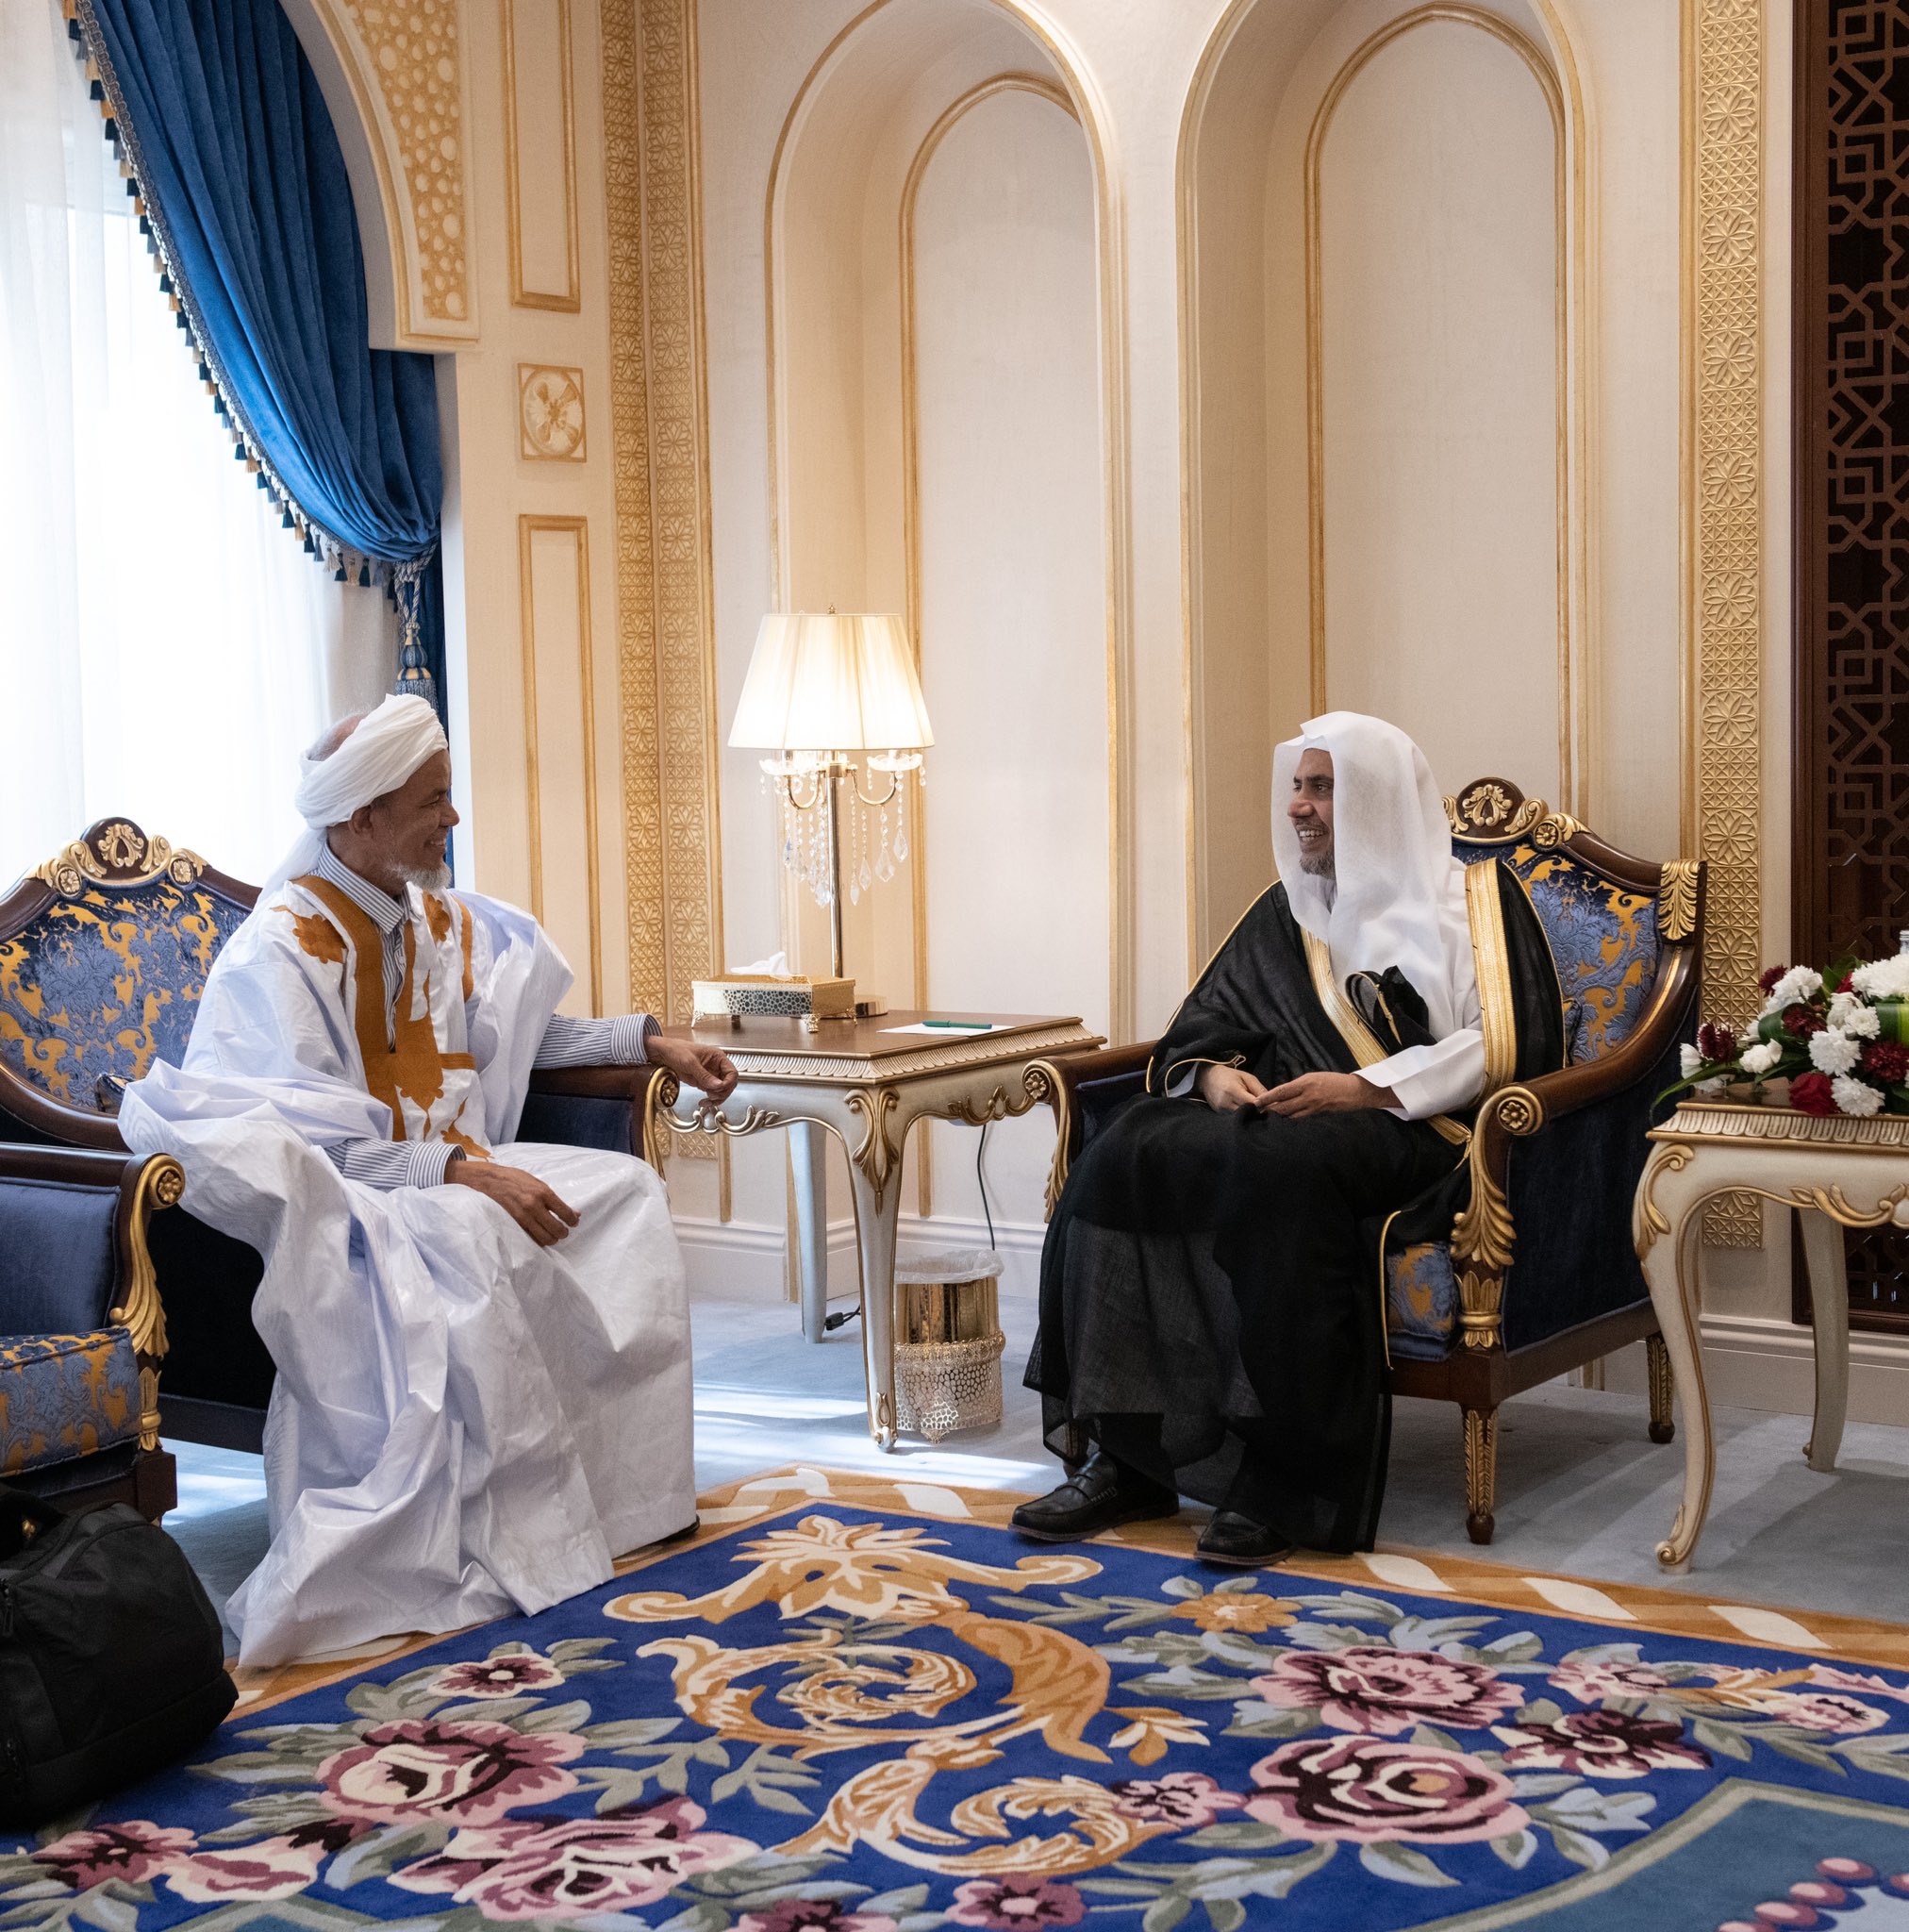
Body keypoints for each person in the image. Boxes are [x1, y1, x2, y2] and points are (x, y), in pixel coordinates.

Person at [120, 694, 737, 1666]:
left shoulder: (437, 915)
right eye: (432, 799)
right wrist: (451, 1170)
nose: (453, 818)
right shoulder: (279, 948)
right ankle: (505, 1530)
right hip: (362, 1194)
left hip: (455, 1164)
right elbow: (289, 1141)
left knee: (621, 1194)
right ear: (360, 817)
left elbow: (514, 1040)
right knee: (479, 1232)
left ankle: (622, 1505)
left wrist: (651, 1040)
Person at [1017, 712, 1564, 1565]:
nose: (1300, 808)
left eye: (1322, 788)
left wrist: (1366, 1087)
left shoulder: (1479, 904)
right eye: (1298, 789)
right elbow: (1204, 1025)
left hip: (1421, 1130)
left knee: (1282, 1173)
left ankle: (1287, 1481)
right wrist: (1210, 1078)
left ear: (1376, 799)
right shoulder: (1288, 910)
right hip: (1290, 1117)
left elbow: (1507, 1044)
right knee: (1129, 1149)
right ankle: (1130, 1457)